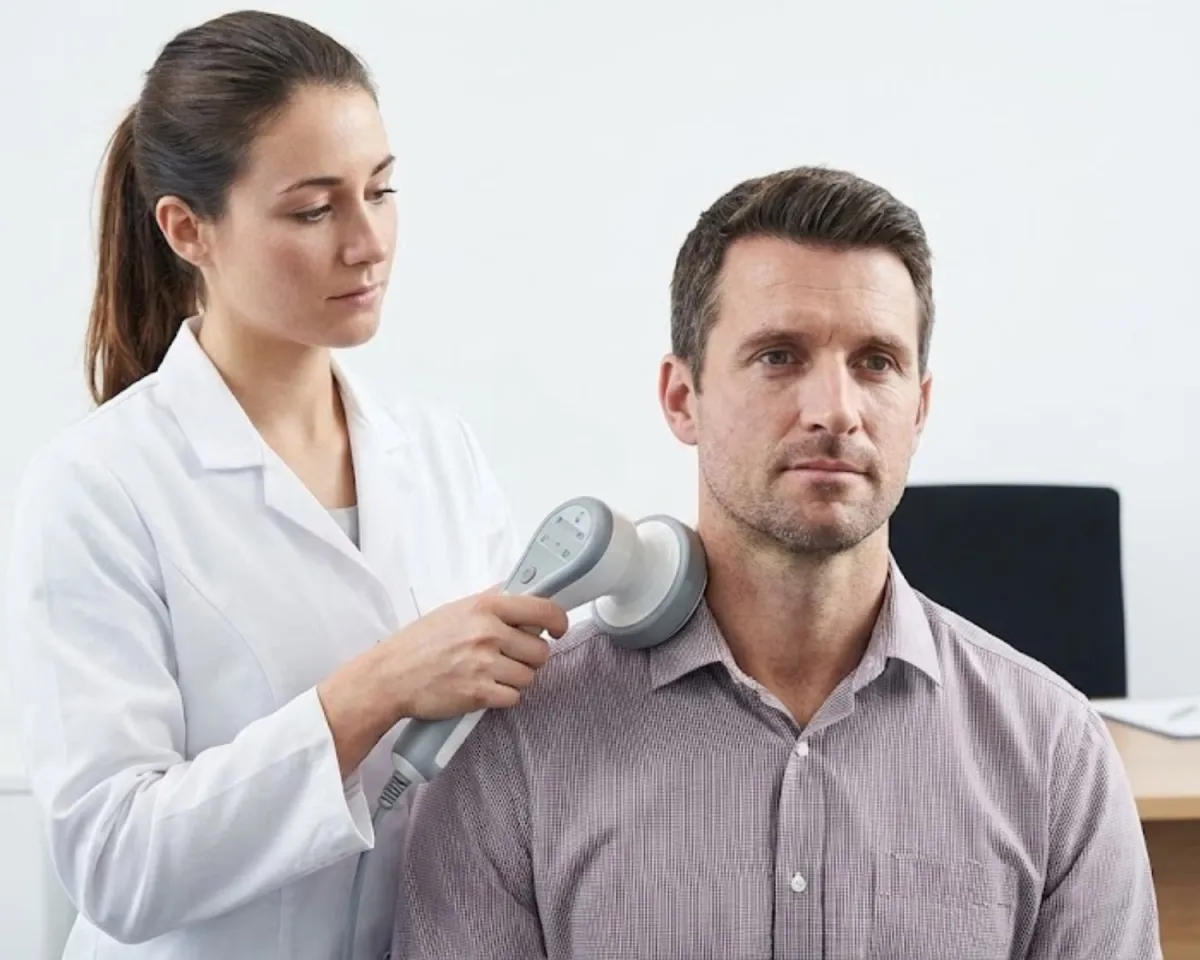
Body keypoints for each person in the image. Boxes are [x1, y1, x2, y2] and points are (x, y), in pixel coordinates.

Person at [391, 166, 1163, 959]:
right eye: (779, 356)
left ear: (920, 407)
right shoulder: (514, 747)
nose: (835, 410)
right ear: (680, 398)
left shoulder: (1053, 752)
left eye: (876, 362)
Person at [3, 10, 567, 960]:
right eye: (314, 210)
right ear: (188, 229)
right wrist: (375, 690)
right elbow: (114, 864)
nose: (368, 242)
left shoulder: (438, 452)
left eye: (381, 192)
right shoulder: (98, 485)